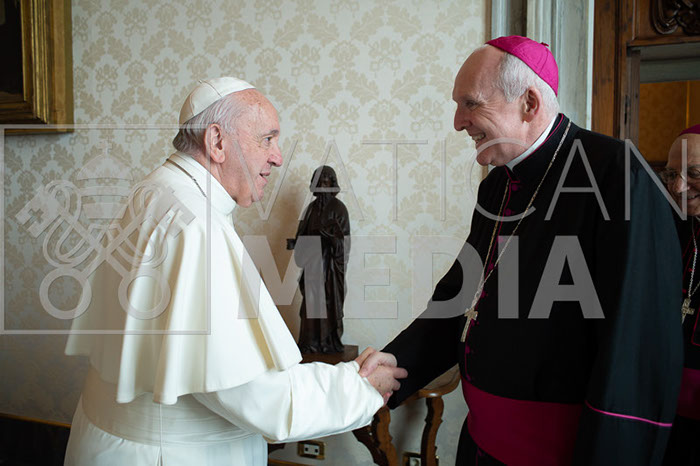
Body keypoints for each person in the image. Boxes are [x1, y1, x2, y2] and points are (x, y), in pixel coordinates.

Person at [359, 36, 683, 465]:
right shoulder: (498, 185)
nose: (458, 122)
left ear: (529, 103)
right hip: (482, 446)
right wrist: (393, 365)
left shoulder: (619, 176)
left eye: (471, 104)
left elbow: (637, 347)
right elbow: (459, 299)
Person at [63, 77, 407, 465]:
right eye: (267, 139)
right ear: (217, 142)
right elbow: (263, 401)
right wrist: (359, 387)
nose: (278, 157)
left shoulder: (155, 191)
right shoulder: (196, 225)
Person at [660, 124, 700, 465]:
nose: (678, 187)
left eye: (694, 174)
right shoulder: (668, 227)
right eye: (671, 174)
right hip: (663, 411)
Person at [290, 165, 350, 354]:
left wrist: (330, 239)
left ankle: (329, 343)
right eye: (319, 183)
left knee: (328, 306)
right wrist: (297, 243)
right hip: (312, 267)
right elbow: (302, 236)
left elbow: (344, 243)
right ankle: (310, 344)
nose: (322, 188)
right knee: (310, 307)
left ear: (332, 185)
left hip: (330, 270)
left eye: (326, 183)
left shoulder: (339, 209)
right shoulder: (310, 209)